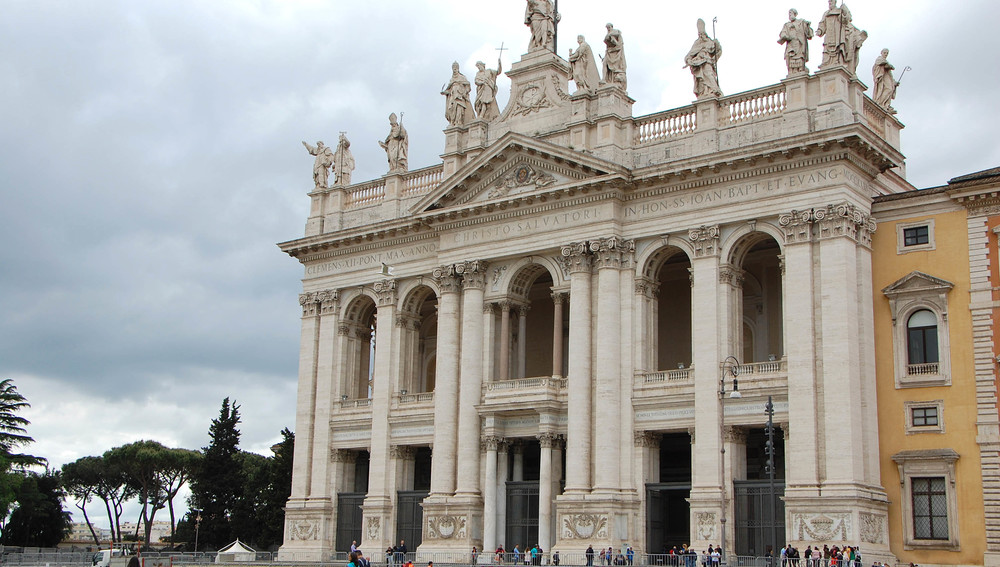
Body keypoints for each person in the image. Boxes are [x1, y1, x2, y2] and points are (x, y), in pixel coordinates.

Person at [685, 18, 723, 99]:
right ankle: (706, 92)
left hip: (707, 62)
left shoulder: (710, 42)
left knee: (709, 75)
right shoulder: (697, 43)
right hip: (699, 64)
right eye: (699, 34)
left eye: (702, 33)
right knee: (702, 81)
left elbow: (717, 52)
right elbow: (688, 56)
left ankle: (714, 90)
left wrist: (717, 45)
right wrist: (690, 61)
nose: (701, 35)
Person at [777, 8, 813, 76]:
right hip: (791, 44)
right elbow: (783, 32)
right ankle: (792, 71)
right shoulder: (787, 25)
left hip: (799, 44)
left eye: (790, 13)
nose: (789, 15)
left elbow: (808, 33)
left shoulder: (801, 22)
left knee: (799, 57)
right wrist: (784, 36)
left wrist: (807, 26)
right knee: (789, 56)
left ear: (795, 14)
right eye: (789, 14)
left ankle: (800, 69)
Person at [442, 62, 474, 127]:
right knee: (452, 109)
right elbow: (449, 89)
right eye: (453, 68)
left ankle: (458, 122)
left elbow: (468, 86)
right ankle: (452, 122)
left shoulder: (462, 77)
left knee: (459, 109)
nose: (454, 69)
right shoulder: (452, 79)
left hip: (460, 95)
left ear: (458, 68)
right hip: (453, 96)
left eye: (456, 68)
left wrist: (464, 93)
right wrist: (445, 92)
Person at [872, 48, 899, 113]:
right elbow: (884, 64)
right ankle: (881, 103)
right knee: (888, 89)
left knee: (890, 89)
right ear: (881, 53)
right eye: (885, 53)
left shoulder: (884, 61)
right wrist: (890, 66)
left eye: (887, 53)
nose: (886, 54)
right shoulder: (879, 59)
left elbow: (889, 74)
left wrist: (894, 82)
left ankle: (885, 105)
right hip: (882, 77)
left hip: (886, 77)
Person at [602, 23, 627, 89]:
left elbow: (620, 45)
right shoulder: (608, 34)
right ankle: (604, 79)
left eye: (609, 27)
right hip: (609, 52)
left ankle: (612, 81)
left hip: (616, 54)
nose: (608, 29)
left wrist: (613, 41)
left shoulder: (616, 32)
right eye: (607, 28)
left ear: (612, 27)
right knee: (604, 63)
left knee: (614, 69)